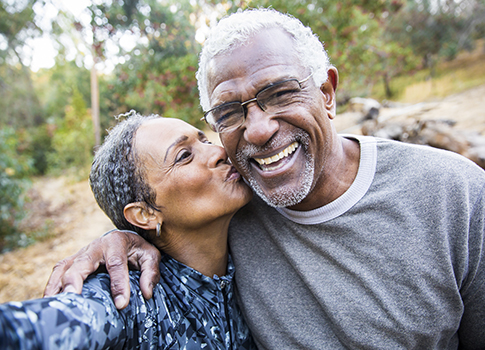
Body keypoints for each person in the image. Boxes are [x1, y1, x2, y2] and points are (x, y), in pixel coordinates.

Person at [44, 8, 485, 350]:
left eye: (279, 93)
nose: (257, 130)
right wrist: (118, 239)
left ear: (327, 93)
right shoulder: (233, 205)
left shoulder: (454, 195)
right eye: (229, 113)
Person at [0, 112, 256, 349]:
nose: (219, 152)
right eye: (184, 156)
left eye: (205, 141)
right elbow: (37, 328)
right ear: (145, 214)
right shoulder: (131, 298)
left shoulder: (257, 232)